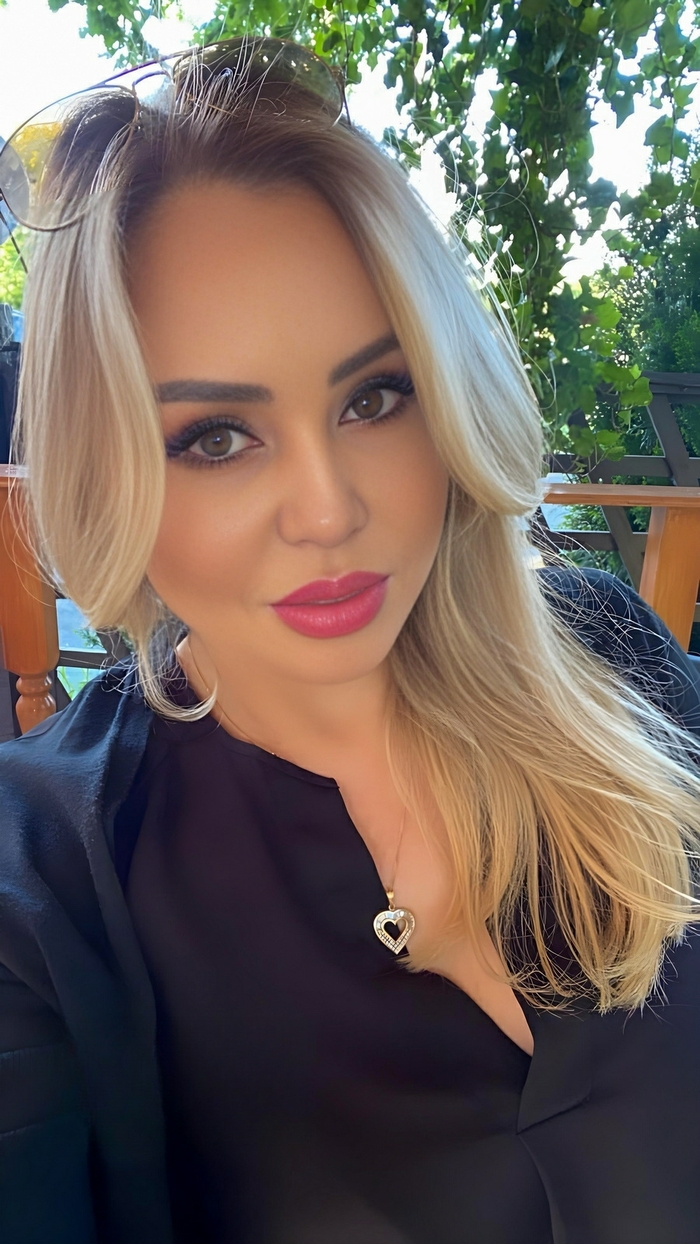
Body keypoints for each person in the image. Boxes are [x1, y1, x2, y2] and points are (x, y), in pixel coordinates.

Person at [1, 36, 700, 1244]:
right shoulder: (44, 887)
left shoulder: (610, 656)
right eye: (215, 437)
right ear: (108, 466)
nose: (328, 512)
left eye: (374, 397)